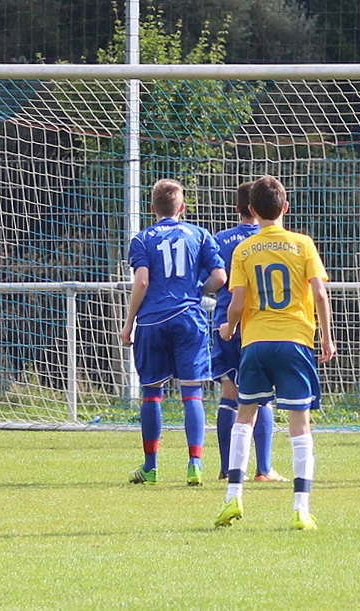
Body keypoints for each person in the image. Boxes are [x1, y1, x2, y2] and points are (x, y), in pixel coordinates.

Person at [214, 175, 336, 531]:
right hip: (295, 341)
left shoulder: (244, 250)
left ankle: (232, 496)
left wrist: (230, 328)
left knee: (244, 416)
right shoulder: (302, 244)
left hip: (255, 343)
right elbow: (320, 294)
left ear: (252, 210)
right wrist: (326, 338)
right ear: (285, 207)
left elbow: (236, 302)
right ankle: (301, 508)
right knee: (299, 423)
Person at [120, 178, 226, 486]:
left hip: (152, 321)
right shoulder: (199, 234)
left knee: (152, 392)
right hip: (188, 318)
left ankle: (151, 467)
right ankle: (195, 463)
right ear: (182, 207)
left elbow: (141, 282)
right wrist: (197, 290)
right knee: (191, 391)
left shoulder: (142, 239)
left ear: (152, 208)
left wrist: (129, 324)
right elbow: (220, 276)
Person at [211, 182, 285, 483]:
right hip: (258, 324)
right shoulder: (270, 240)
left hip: (225, 322)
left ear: (240, 207)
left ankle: (227, 467)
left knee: (229, 395)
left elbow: (214, 278)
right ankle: (264, 468)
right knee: (262, 397)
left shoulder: (220, 239)